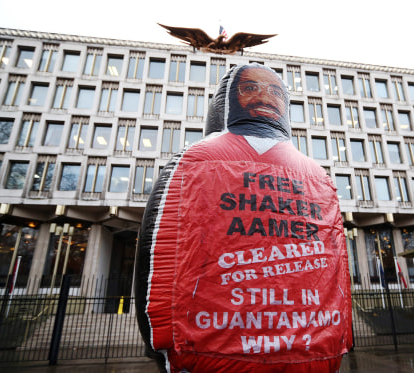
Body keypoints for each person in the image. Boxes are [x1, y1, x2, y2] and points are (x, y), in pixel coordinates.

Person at [135, 63, 352, 373]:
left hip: (209, 356)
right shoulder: (318, 175)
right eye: (250, 88)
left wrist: (157, 345)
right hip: (312, 354)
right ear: (231, 98)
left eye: (274, 91)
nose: (264, 97)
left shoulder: (192, 160)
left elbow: (154, 266)